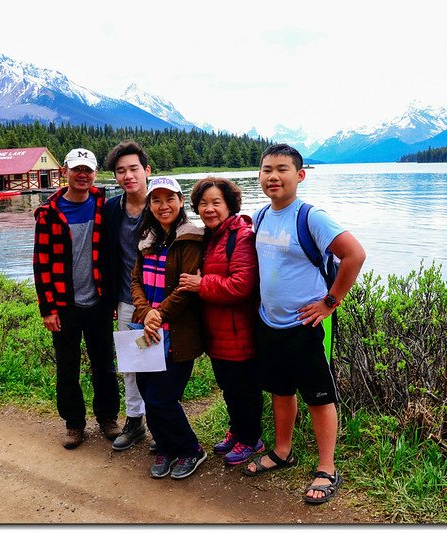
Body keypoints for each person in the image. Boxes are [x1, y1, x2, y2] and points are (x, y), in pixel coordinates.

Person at [242, 144, 366, 505]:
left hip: (308, 325)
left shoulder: (311, 217)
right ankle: (283, 452)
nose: (273, 176)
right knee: (281, 390)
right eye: (266, 169)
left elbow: (354, 254)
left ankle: (327, 468)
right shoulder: (261, 216)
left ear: (300, 175)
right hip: (270, 323)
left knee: (318, 396)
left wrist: (330, 302)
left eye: (282, 169)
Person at [33, 147, 121, 449]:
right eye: (76, 169)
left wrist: (111, 299)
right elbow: (41, 263)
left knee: (104, 365)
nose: (82, 175)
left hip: (98, 303)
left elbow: (111, 256)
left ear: (95, 174)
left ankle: (108, 418)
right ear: (64, 173)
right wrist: (48, 308)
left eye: (88, 170)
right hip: (64, 305)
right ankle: (74, 423)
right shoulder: (48, 214)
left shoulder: (104, 206)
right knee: (67, 367)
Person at [178, 177, 264, 466]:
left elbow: (242, 285)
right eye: (203, 203)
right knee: (228, 386)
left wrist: (201, 284)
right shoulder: (209, 237)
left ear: (230, 205)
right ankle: (237, 431)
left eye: (216, 202)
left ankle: (252, 439)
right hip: (216, 331)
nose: (209, 209)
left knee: (245, 389)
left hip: (239, 330)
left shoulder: (241, 236)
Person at [130, 176, 207, 479]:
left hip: (177, 334)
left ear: (181, 201)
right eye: (156, 200)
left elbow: (186, 288)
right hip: (146, 329)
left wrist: (157, 314)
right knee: (147, 390)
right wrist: (145, 311)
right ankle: (165, 445)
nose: (164, 206)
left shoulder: (191, 239)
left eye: (169, 199)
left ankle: (190, 449)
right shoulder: (147, 239)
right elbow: (135, 280)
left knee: (162, 397)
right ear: (149, 204)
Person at [102, 140, 154, 452]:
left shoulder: (163, 203)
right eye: (121, 171)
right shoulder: (112, 209)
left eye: (134, 168)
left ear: (146, 170)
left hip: (159, 302)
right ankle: (135, 421)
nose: (128, 175)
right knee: (132, 364)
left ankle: (162, 424)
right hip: (124, 300)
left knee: (161, 364)